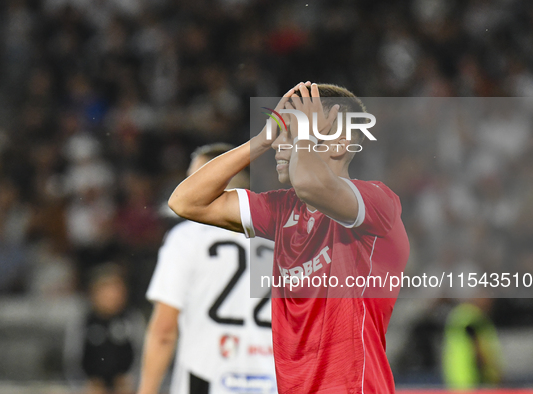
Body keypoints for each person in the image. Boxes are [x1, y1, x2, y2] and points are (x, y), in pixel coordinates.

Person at [168, 82, 410, 393]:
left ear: (339, 143)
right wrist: (259, 141)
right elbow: (185, 202)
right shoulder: (281, 211)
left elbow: (310, 183)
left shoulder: (378, 203)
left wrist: (303, 139)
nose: (281, 144)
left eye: (295, 130)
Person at [138, 144, 276, 394]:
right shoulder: (287, 236)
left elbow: (164, 331)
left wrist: (146, 390)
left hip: (208, 377)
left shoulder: (187, 237)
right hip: (273, 381)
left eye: (193, 177)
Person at [64, 263, 145, 394]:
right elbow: (72, 360)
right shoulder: (82, 321)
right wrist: (84, 384)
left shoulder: (132, 319)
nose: (113, 295)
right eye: (107, 290)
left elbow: (142, 356)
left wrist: (132, 380)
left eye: (117, 289)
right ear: (94, 293)